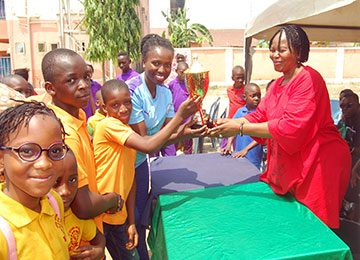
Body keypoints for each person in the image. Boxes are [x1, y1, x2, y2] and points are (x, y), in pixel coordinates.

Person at [210, 24, 351, 229]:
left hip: (319, 164)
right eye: (272, 49)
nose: (274, 55)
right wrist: (226, 123)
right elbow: (259, 115)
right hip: (296, 162)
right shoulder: (277, 85)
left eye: (282, 50)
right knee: (292, 225)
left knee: (313, 230)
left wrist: (239, 128)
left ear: (299, 51)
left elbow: (290, 127)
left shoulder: (309, 80)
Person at [93, 80, 200, 259]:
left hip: (118, 215)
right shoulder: (108, 125)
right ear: (104, 108)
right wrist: (180, 117)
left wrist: (131, 222)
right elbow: (149, 146)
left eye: (127, 102)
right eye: (115, 105)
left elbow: (130, 180)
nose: (123, 109)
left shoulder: (126, 132)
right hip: (102, 214)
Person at [127, 34, 206, 259]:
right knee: (127, 224)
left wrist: (188, 130)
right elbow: (146, 144)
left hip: (140, 164)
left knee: (141, 219)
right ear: (143, 61)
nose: (162, 70)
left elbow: (165, 135)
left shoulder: (164, 92)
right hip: (123, 166)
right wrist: (181, 115)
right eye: (156, 63)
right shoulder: (132, 91)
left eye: (167, 65)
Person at [42, 48, 122, 233]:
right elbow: (83, 206)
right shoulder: (65, 133)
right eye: (72, 80)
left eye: (86, 77)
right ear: (50, 88)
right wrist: (112, 199)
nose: (84, 85)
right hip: (78, 237)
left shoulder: (76, 115)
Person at [0, 101, 69, 259]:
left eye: (56, 150)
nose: (44, 164)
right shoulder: (3, 232)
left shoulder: (53, 202)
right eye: (27, 151)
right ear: (1, 159)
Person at [53, 149, 105, 259]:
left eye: (72, 180)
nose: (65, 191)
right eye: (56, 182)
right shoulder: (37, 220)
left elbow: (98, 237)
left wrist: (99, 249)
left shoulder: (76, 215)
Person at [221, 83, 262, 169]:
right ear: (244, 97)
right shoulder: (240, 112)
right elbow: (233, 128)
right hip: (239, 153)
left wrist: (246, 149)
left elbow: (262, 137)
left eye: (259, 96)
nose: (257, 99)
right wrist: (228, 145)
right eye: (253, 96)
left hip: (253, 155)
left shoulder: (260, 114)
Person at [336, 91, 360, 221]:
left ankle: (352, 214)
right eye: (342, 107)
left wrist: (348, 148)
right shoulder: (346, 118)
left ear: (358, 105)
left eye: (349, 106)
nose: (345, 109)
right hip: (349, 158)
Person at [168, 61, 193, 154]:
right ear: (176, 71)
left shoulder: (190, 84)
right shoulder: (172, 84)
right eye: (182, 72)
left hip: (188, 118)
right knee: (175, 140)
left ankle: (189, 159)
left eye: (186, 72)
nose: (184, 75)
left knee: (188, 143)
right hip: (176, 117)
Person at [220, 65, 247, 149]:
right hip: (230, 120)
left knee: (237, 146)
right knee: (224, 145)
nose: (241, 80)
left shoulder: (246, 90)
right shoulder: (229, 90)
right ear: (233, 78)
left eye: (242, 78)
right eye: (238, 78)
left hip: (240, 122)